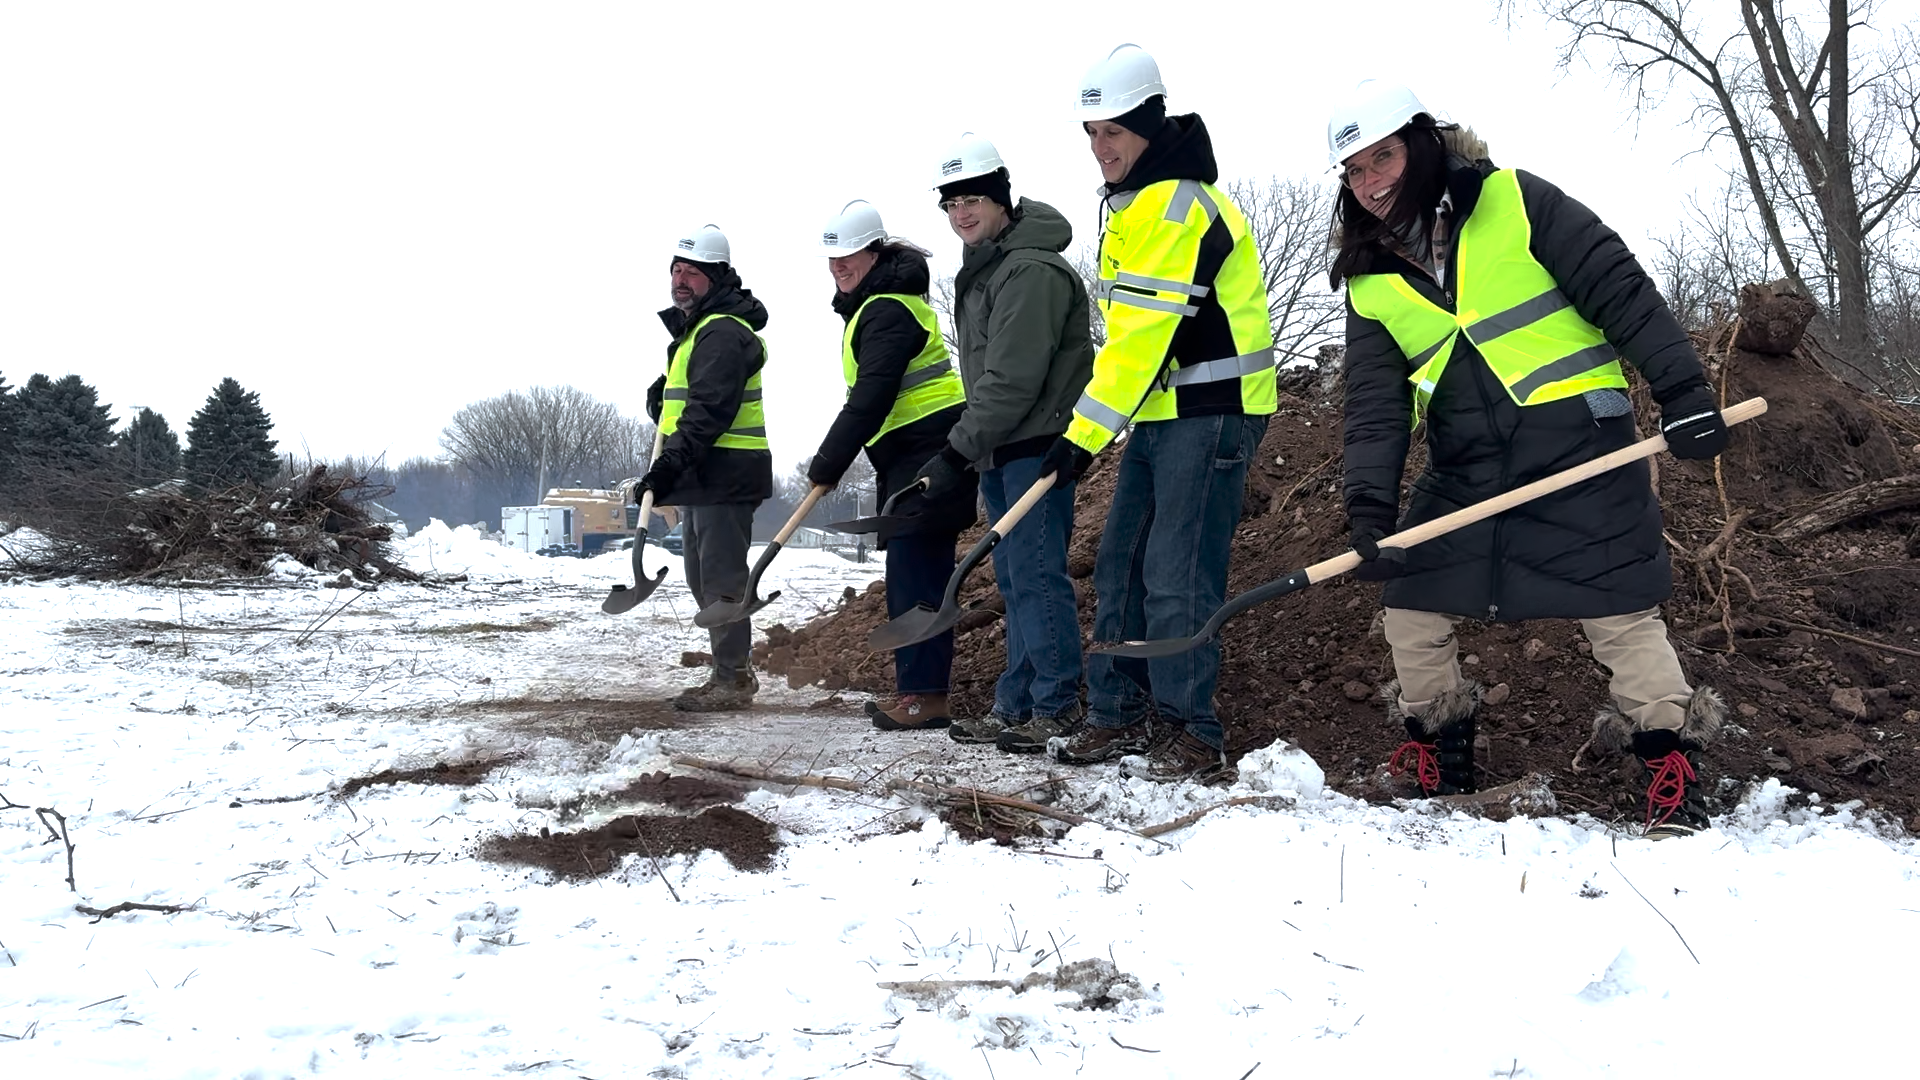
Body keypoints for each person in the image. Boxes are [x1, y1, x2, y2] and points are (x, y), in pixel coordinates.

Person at [1326, 80, 1730, 838]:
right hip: (1469, 463)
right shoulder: (1370, 278)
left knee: (1615, 604)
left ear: (1420, 145)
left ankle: (1672, 769)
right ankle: (1442, 758)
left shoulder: (1515, 200)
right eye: (1353, 170)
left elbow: (1620, 289)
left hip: (1581, 441)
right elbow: (1376, 405)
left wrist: (1683, 390)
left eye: (1382, 157)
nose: (1371, 180)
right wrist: (1369, 511)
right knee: (1412, 596)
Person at [1044, 44, 1278, 783]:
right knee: (1121, 564)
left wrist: (1079, 438)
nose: (1099, 147)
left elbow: (1144, 339)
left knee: (1176, 571)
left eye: (1112, 131)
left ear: (1147, 124)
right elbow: (1128, 344)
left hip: (1213, 412)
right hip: (1161, 413)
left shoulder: (1176, 203)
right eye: (1090, 134)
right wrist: (1090, 428)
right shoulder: (1135, 206)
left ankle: (1191, 729)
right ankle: (1117, 713)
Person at [918, 132, 1096, 753]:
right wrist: (973, 449)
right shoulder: (992, 267)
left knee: (1038, 576)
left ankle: (1055, 705)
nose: (960, 212)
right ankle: (1017, 704)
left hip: (1037, 444)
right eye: (950, 203)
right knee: (1017, 580)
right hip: (1005, 448)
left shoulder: (1029, 270)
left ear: (1000, 198)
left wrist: (955, 451)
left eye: (972, 198)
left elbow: (1013, 380)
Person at [806, 200, 975, 730]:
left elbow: (872, 395)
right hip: (910, 456)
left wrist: (828, 462)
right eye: (832, 259)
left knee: (918, 578)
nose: (839, 267)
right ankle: (919, 691)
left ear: (875, 253)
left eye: (849, 256)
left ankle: (925, 697)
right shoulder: (879, 306)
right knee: (910, 575)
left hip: (928, 457)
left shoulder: (888, 310)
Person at [643, 224, 773, 713]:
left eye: (692, 273)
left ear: (716, 277)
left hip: (725, 473)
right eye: (676, 270)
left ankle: (733, 677)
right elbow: (686, 405)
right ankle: (728, 672)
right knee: (703, 577)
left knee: (720, 579)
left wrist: (669, 465)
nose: (680, 280)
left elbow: (710, 410)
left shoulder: (721, 332)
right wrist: (660, 404)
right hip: (706, 474)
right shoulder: (699, 331)